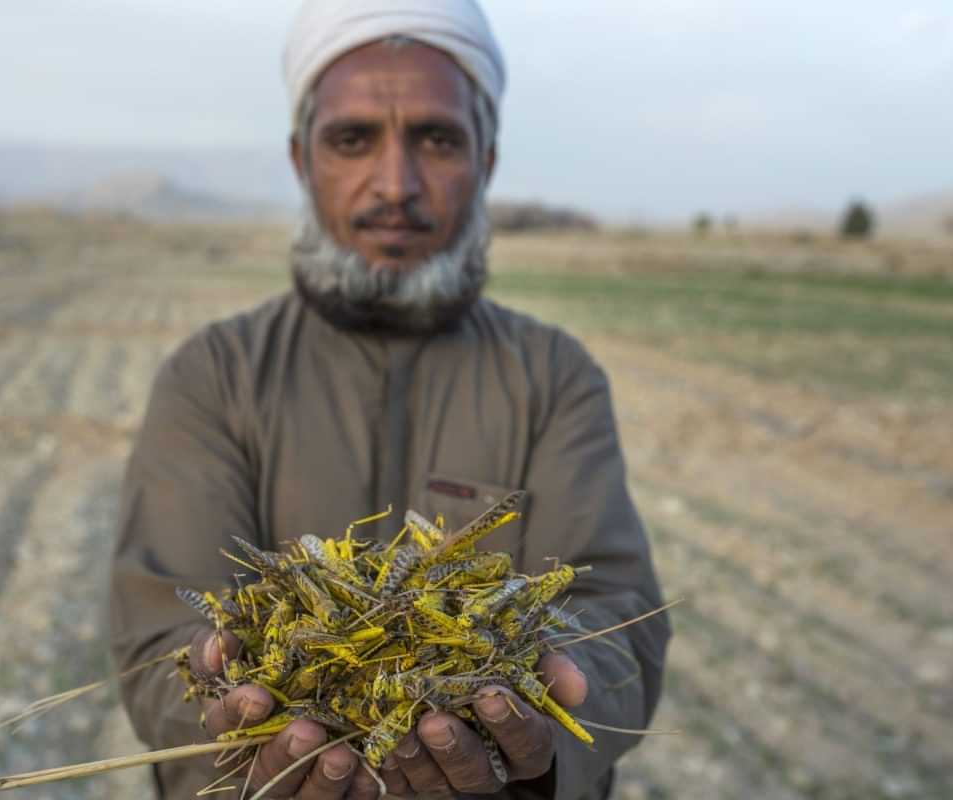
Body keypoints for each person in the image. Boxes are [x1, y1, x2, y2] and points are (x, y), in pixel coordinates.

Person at [110, 1, 670, 797]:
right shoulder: (215, 375)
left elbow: (620, 620)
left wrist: (539, 726)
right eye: (353, 139)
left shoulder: (553, 376)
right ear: (304, 160)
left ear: (488, 160)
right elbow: (159, 632)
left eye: (438, 139)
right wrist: (231, 722)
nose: (396, 183)